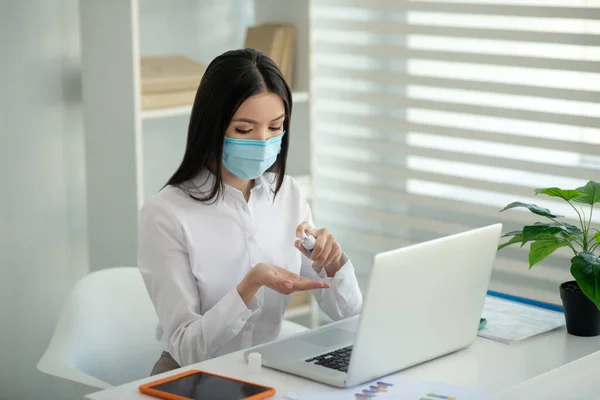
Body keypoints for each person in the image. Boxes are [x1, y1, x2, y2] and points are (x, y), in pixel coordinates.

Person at [138, 48, 363, 375]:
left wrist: (334, 262)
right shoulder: (166, 215)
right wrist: (248, 288)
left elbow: (351, 314)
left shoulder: (288, 194)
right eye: (244, 130)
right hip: (192, 377)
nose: (262, 141)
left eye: (275, 127)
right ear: (212, 126)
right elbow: (186, 348)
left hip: (267, 371)